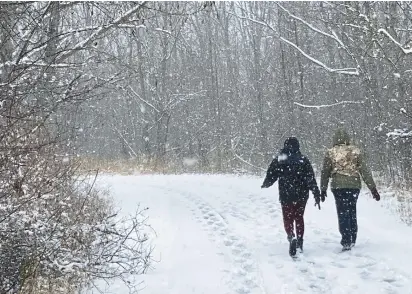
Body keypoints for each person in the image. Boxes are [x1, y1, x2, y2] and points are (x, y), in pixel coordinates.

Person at [320, 129, 381, 251]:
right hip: (354, 186)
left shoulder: (330, 153)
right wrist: (373, 188)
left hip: (338, 187)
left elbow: (325, 172)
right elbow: (365, 171)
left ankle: (346, 239)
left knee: (342, 212)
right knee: (352, 211)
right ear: (347, 138)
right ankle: (353, 237)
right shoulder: (355, 151)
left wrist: (323, 189)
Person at [261, 137, 321, 257]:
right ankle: (299, 240)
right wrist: (316, 192)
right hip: (301, 195)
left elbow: (272, 173)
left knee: (288, 217)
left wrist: (266, 183)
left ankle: (291, 236)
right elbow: (310, 178)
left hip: (286, 194)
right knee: (299, 217)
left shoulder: (281, 159)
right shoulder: (303, 160)